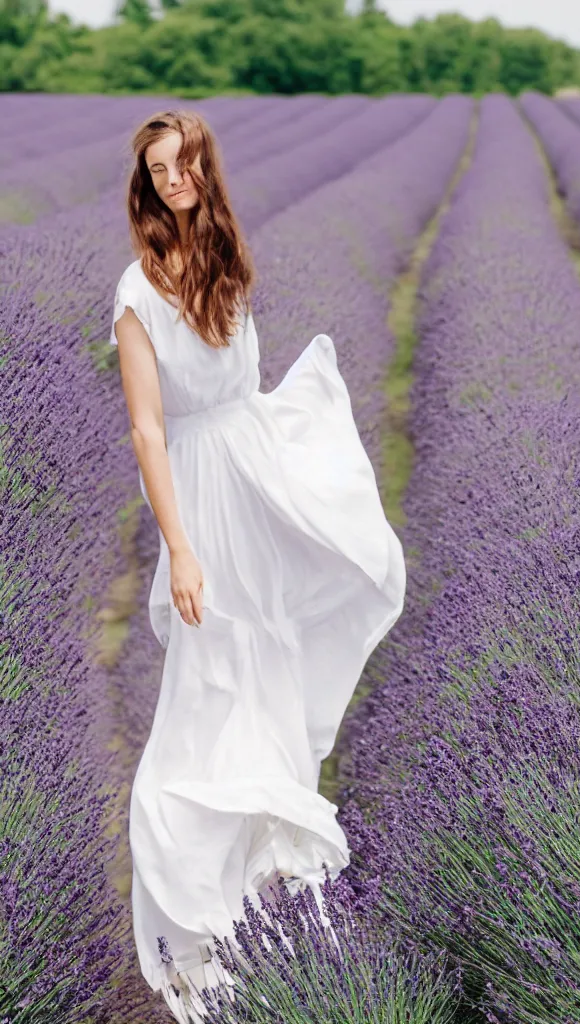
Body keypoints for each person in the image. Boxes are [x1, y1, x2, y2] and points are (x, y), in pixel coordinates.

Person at [109, 109, 406, 1023]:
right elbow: (150, 431)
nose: (171, 180)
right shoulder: (136, 289)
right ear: (146, 182)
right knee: (210, 699)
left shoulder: (229, 267)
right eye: (156, 169)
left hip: (257, 491)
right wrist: (181, 549)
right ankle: (199, 926)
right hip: (203, 507)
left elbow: (246, 395)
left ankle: (268, 914)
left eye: (182, 164)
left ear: (204, 169)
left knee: (270, 686)